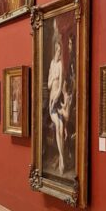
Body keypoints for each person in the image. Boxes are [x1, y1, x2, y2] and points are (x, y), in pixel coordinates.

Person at [48, 37, 65, 175]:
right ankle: (62, 159)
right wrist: (53, 77)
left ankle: (61, 158)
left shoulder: (60, 65)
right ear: (55, 50)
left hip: (58, 100)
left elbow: (59, 88)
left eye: (60, 51)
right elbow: (49, 85)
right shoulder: (52, 64)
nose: (59, 53)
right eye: (58, 50)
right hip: (51, 101)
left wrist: (56, 99)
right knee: (58, 125)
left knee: (61, 128)